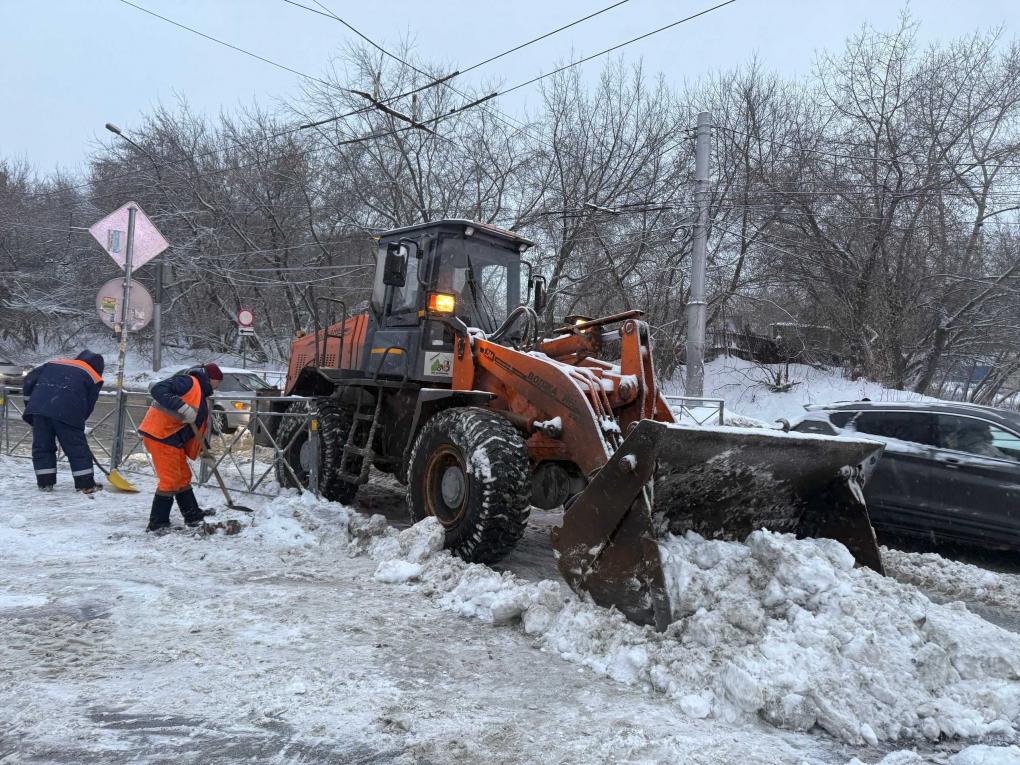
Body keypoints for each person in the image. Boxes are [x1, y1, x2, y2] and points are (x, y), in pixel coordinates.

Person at [138, 363, 223, 531]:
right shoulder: (189, 382)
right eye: (218, 382)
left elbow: (196, 425)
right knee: (170, 480)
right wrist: (181, 407)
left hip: (173, 438)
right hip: (161, 435)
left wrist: (203, 448)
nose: (218, 387)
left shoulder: (201, 393)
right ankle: (158, 523)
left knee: (183, 476)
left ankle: (192, 515)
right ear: (211, 379)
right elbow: (158, 389)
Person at [22, 351, 106, 493]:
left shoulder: (55, 363)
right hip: (68, 412)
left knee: (42, 446)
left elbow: (29, 379)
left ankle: (45, 483)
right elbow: (89, 404)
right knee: (76, 448)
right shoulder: (93, 376)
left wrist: (30, 403)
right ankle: (85, 485)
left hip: (39, 409)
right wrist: (78, 422)